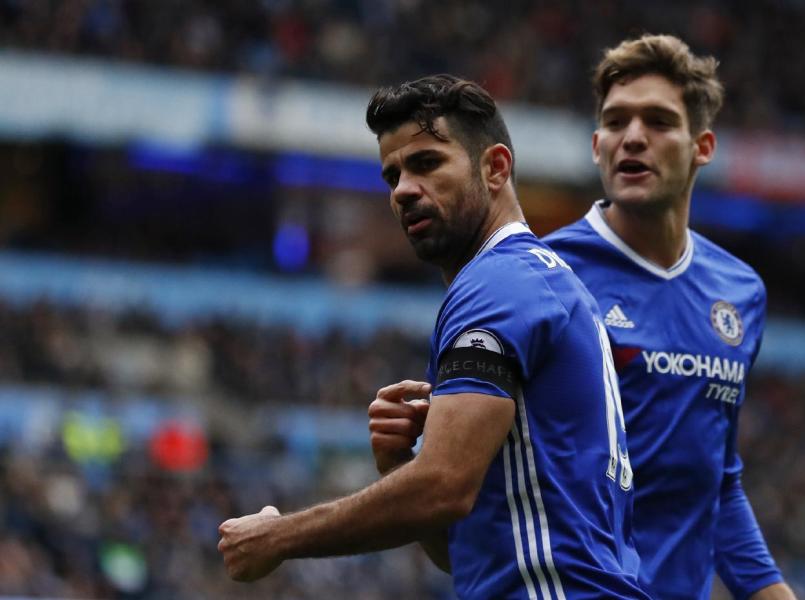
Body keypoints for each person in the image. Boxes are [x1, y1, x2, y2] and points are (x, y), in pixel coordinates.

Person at [219, 74, 649, 600]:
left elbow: (444, 488)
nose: (402, 190)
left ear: (495, 168)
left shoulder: (498, 285)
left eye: (426, 163)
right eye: (392, 175)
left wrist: (280, 537)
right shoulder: (540, 281)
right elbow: (458, 551)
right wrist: (402, 465)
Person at [542, 35, 796, 600]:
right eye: (616, 121)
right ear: (596, 144)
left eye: (658, 121)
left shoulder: (740, 293)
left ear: (702, 146)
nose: (633, 137)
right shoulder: (545, 276)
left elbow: (716, 484)